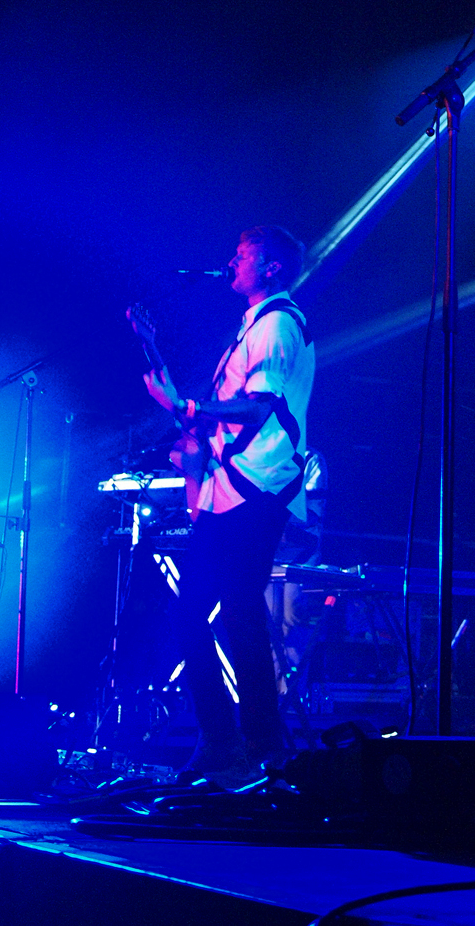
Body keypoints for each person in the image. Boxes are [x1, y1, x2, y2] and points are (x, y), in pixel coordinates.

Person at [139, 225, 315, 786]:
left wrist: (189, 406)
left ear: (271, 268)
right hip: (230, 491)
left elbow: (258, 407)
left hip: (257, 489)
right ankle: (229, 742)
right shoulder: (251, 328)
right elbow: (209, 413)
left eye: (243, 255)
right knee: (202, 611)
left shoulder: (277, 326)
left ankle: (256, 745)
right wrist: (150, 346)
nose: (231, 262)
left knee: (234, 607)